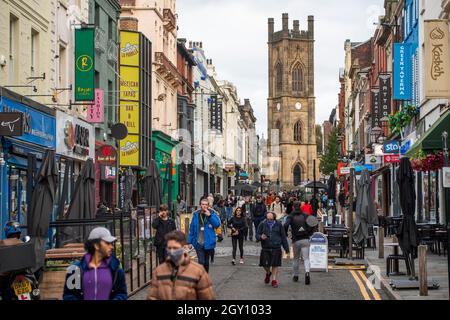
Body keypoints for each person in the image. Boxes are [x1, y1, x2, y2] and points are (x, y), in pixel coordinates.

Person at [63, 227, 127, 300]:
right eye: (107, 243)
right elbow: (69, 295)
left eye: (111, 244)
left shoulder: (116, 270)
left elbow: (121, 293)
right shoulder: (75, 269)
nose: (111, 247)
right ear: (96, 245)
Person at [148, 231, 215, 300]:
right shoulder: (159, 271)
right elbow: (152, 296)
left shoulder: (198, 271)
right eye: (169, 248)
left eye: (175, 248)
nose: (171, 251)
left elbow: (207, 297)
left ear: (183, 248)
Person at [256, 212, 290, 288]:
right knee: (264, 265)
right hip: (265, 247)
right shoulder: (262, 223)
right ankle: (268, 273)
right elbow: (257, 234)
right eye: (268, 219)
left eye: (271, 219)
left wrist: (287, 250)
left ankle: (274, 280)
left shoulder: (279, 224)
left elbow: (283, 237)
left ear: (274, 218)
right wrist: (261, 237)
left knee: (275, 264)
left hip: (276, 247)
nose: (269, 221)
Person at [187, 198, 221, 273]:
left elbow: (217, 224)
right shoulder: (196, 214)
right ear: (200, 205)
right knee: (201, 261)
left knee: (206, 262)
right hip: (198, 242)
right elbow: (192, 228)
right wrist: (189, 242)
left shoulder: (212, 213)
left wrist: (209, 216)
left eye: (206, 204)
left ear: (208, 205)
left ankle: (205, 277)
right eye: (203, 204)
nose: (204, 206)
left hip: (208, 242)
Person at [284, 206, 315, 285]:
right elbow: (313, 222)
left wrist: (286, 233)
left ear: (294, 208)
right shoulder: (305, 215)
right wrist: (309, 233)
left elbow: (286, 224)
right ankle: (307, 272)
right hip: (305, 239)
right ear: (300, 208)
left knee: (296, 258)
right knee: (306, 258)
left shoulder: (291, 216)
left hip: (296, 240)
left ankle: (296, 275)